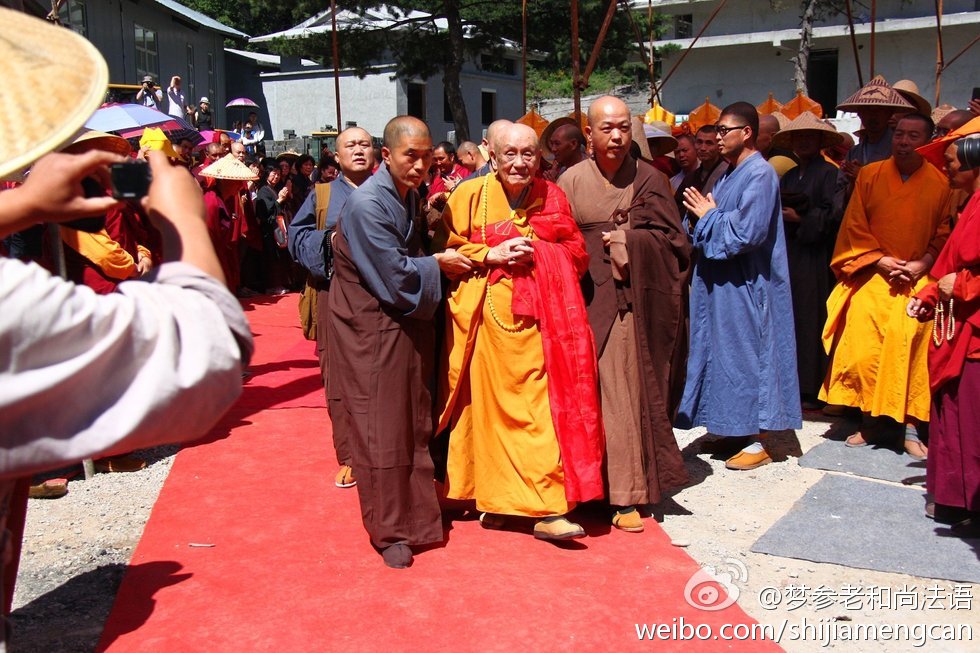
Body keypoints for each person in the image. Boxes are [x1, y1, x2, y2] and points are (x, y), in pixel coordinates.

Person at [437, 121, 604, 541]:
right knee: (487, 415)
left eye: (528, 154)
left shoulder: (553, 196)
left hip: (540, 324)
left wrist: (538, 249)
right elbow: (447, 250)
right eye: (509, 154)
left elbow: (576, 253)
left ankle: (547, 508)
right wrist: (491, 253)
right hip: (485, 323)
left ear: (539, 158)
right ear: (491, 156)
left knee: (536, 414)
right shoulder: (468, 195)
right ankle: (496, 502)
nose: (519, 162)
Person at [326, 116, 470, 568]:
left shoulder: (408, 194)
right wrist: (439, 264)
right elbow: (396, 276)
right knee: (382, 427)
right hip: (373, 329)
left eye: (427, 156)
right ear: (386, 156)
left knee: (413, 421)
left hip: (401, 325)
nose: (421, 165)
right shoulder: (368, 205)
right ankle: (389, 530)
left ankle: (418, 516)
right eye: (411, 156)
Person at [558, 96, 690, 532]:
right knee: (579, 393)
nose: (616, 136)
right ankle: (578, 486)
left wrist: (627, 242)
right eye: (606, 128)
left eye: (623, 127)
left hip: (627, 301)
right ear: (589, 133)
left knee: (621, 391)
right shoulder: (571, 180)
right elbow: (554, 237)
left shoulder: (651, 180)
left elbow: (675, 245)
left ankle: (626, 493)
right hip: (581, 296)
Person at [679, 102, 802, 470]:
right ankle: (734, 427)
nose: (717, 138)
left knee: (750, 354)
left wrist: (709, 216)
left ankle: (762, 439)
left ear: (746, 133)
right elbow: (710, 221)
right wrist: (702, 218)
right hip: (723, 285)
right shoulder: (728, 174)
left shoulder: (760, 174)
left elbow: (747, 233)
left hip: (749, 284)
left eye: (723, 131)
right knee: (724, 353)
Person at [820, 114, 952, 458]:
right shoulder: (870, 174)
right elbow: (854, 225)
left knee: (912, 341)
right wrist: (878, 260)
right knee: (862, 345)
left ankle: (910, 427)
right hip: (875, 272)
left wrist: (923, 263)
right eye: (899, 135)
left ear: (928, 141)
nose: (904, 142)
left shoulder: (941, 183)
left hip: (919, 276)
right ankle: (871, 421)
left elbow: (944, 232)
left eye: (913, 136)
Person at [288, 127, 376, 489]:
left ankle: (385, 451)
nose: (358, 150)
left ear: (376, 153)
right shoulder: (322, 194)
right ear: (337, 157)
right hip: (333, 291)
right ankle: (351, 456)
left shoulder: (392, 190)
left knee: (383, 374)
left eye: (365, 144)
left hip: (381, 295)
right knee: (338, 376)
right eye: (350, 146)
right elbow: (296, 236)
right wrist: (331, 242)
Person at [907, 121, 980, 533]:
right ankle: (955, 498)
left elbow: (966, 275)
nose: (947, 169)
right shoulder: (969, 203)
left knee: (972, 418)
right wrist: (932, 294)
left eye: (952, 161)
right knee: (951, 411)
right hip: (957, 325)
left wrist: (963, 286)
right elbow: (951, 266)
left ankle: (975, 504)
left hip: (975, 332)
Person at [774, 112, 845, 409]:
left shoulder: (830, 173)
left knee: (812, 317)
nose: (803, 142)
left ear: (820, 141)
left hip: (815, 257)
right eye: (798, 137)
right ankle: (790, 385)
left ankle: (812, 388)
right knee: (790, 316)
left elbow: (834, 215)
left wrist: (801, 218)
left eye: (809, 137)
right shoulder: (790, 175)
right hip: (791, 254)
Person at [675, 125, 729, 233]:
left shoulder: (727, 173)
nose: (703, 148)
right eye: (699, 142)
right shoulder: (691, 177)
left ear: (718, 145)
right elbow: (677, 207)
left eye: (709, 143)